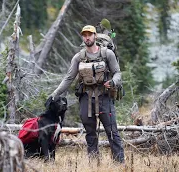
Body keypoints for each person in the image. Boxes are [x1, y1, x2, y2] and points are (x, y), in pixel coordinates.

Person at [47, 25, 125, 164]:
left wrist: (113, 82)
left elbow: (118, 73)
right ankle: (94, 164)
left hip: (105, 96)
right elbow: (69, 78)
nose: (87, 37)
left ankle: (119, 164)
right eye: (84, 35)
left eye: (90, 34)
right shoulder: (79, 57)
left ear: (95, 36)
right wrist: (54, 94)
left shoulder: (107, 54)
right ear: (83, 38)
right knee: (90, 134)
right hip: (86, 98)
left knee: (112, 132)